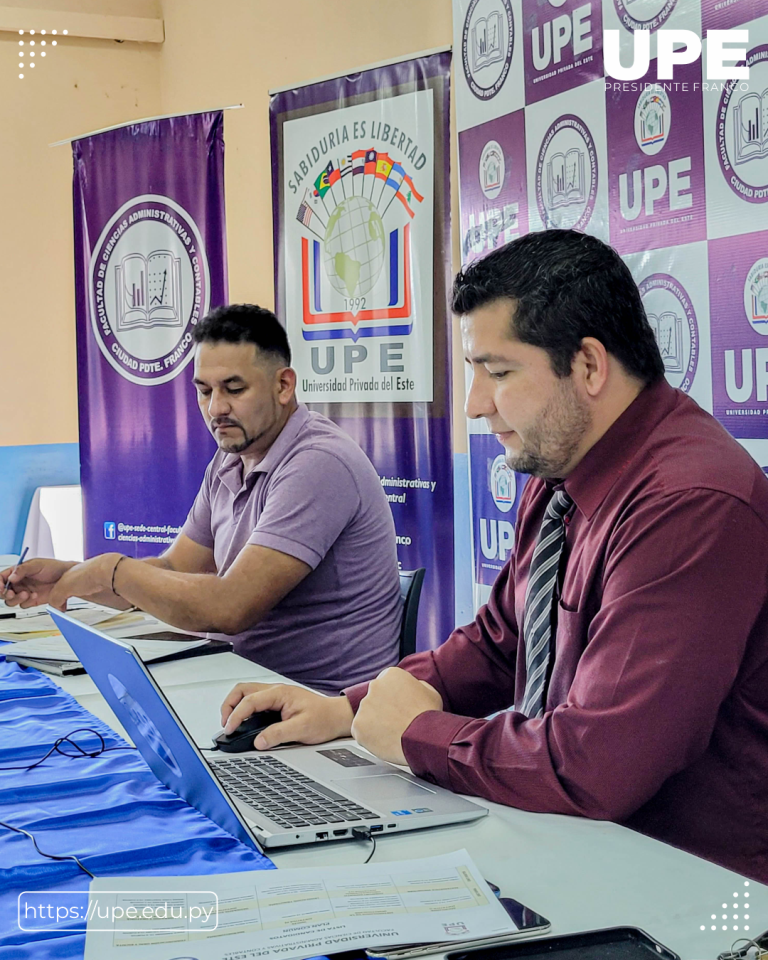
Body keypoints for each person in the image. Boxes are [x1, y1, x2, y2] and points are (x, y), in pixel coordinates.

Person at [218, 231, 768, 883]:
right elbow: (502, 641)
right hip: (578, 846)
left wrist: (416, 735)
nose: (476, 405)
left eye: (499, 373)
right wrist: (350, 708)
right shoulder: (562, 467)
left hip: (691, 894)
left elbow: (598, 765)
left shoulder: (689, 502)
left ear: (588, 367)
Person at [1, 304, 402, 693]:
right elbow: (174, 568)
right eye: (204, 390)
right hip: (242, 685)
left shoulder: (318, 463)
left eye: (234, 389)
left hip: (320, 706)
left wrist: (107, 570)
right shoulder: (231, 458)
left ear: (284, 386)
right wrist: (73, 577)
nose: (216, 408)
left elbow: (230, 609)